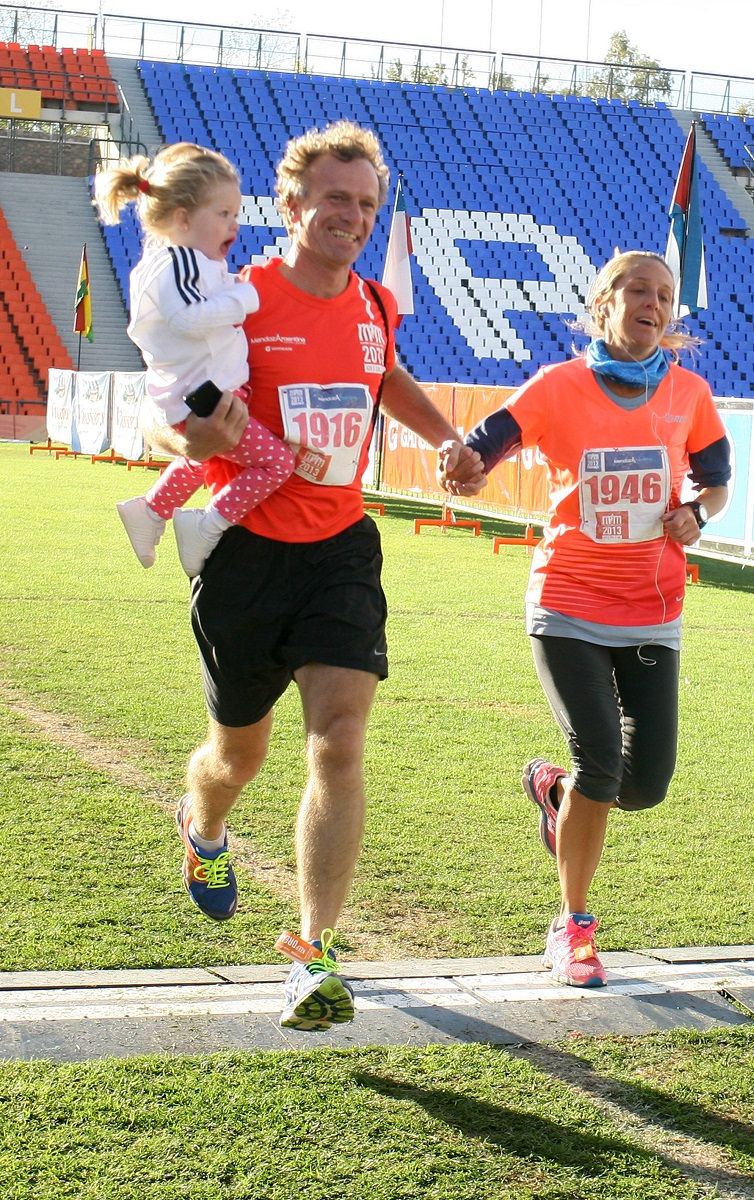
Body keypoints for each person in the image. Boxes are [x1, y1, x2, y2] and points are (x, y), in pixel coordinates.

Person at [143, 121, 483, 1030]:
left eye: (367, 203)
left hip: (340, 550)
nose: (354, 216)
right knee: (237, 756)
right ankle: (202, 823)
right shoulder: (238, 299)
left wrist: (445, 437)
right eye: (337, 198)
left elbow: (386, 379)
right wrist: (187, 439)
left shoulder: (374, 303)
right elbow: (163, 406)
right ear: (291, 204)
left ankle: (313, 953)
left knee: (339, 739)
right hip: (246, 553)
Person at [441, 250, 730, 988]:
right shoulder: (561, 386)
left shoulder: (689, 393)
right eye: (639, 290)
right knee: (601, 759)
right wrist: (467, 463)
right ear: (604, 302)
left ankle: (556, 793)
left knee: (644, 785)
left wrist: (696, 513)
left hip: (653, 611)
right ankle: (572, 927)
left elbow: (717, 484)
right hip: (568, 603)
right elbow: (490, 441)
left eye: (665, 296)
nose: (655, 304)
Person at [94, 143, 296, 578]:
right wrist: (245, 297)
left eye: (235, 214)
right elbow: (187, 318)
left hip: (201, 394)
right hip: (199, 398)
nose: (234, 225)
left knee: (204, 455)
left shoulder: (187, 262)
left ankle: (151, 509)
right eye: (223, 214)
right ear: (184, 218)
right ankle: (208, 524)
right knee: (277, 463)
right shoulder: (177, 261)